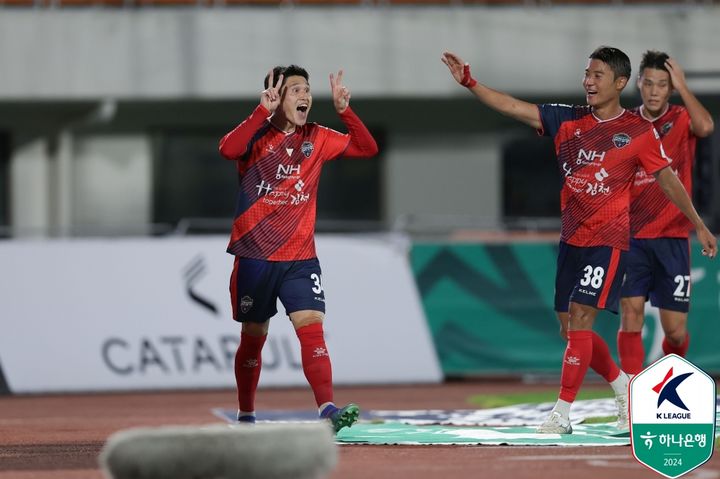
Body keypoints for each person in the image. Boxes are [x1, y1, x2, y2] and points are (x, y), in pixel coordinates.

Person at [442, 47, 717, 434]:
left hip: (611, 241)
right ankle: (624, 387)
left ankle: (561, 414)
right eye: (586, 74)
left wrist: (698, 224)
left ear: (620, 83)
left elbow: (668, 180)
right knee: (569, 330)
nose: (588, 81)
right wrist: (471, 83)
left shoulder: (639, 133)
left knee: (584, 321)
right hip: (572, 239)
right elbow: (512, 107)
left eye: (598, 75)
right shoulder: (567, 118)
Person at [218, 65, 378, 432]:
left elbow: (367, 148)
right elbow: (227, 149)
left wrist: (345, 112)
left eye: (307, 89)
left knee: (311, 327)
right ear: (275, 98)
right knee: (254, 338)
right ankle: (245, 415)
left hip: (300, 258)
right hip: (255, 256)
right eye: (295, 90)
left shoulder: (317, 136)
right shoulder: (256, 135)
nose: (304, 95)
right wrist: (261, 111)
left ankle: (327, 410)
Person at [617, 52, 715, 377]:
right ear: (639, 85)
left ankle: (663, 379)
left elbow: (707, 126)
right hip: (630, 235)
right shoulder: (624, 123)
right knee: (630, 311)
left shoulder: (682, 117)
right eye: (649, 83)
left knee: (674, 330)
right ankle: (629, 395)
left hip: (672, 236)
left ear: (670, 89)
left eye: (663, 84)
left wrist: (684, 86)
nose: (655, 91)